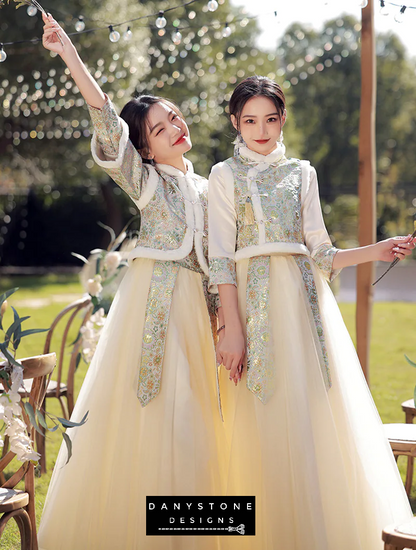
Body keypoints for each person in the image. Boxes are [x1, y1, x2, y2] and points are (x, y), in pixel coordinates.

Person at [38, 14, 225, 550]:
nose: (175, 128)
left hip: (198, 310)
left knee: (199, 426)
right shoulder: (145, 181)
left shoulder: (209, 184)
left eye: (175, 117)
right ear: (143, 149)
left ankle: (199, 536)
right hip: (155, 308)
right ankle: (142, 536)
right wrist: (70, 55)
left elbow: (220, 259)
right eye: (160, 129)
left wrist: (221, 317)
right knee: (163, 416)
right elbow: (105, 119)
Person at [208, 75, 415, 550]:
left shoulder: (302, 172)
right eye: (250, 120)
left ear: (283, 120)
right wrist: (231, 327)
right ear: (235, 123)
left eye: (271, 119)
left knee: (308, 417)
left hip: (303, 310)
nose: (262, 130)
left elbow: (320, 252)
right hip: (252, 308)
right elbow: (220, 255)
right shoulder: (223, 176)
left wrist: (376, 251)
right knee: (258, 419)